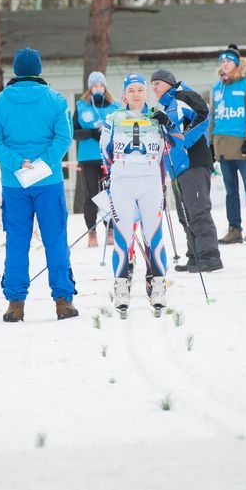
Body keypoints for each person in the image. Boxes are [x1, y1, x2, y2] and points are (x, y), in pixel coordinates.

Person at [0, 47, 78, 322]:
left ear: (15, 69)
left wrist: (16, 162)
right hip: (48, 180)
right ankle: (63, 300)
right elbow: (63, 138)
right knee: (55, 239)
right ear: (38, 70)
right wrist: (43, 164)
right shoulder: (56, 100)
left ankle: (15, 302)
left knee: (17, 241)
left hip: (15, 183)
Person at [100, 73, 171, 316]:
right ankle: (121, 288)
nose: (136, 95)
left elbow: (171, 144)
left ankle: (159, 287)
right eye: (131, 91)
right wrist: (114, 172)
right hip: (122, 183)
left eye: (140, 90)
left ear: (146, 92)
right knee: (123, 237)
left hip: (150, 182)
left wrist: (168, 123)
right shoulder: (113, 118)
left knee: (154, 234)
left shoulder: (156, 117)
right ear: (124, 94)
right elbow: (104, 150)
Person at [150, 69, 223, 273]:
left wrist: (184, 140)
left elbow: (204, 114)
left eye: (157, 83)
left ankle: (209, 256)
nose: (153, 87)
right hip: (177, 166)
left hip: (194, 161)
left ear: (169, 83)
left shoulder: (184, 95)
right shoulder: (165, 107)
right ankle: (195, 255)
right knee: (185, 214)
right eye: (152, 84)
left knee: (198, 210)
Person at [209, 44, 246, 244]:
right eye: (222, 61)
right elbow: (213, 116)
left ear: (237, 64)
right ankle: (234, 229)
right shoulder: (217, 87)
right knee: (230, 190)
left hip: (243, 144)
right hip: (222, 144)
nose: (224, 64)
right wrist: (210, 143)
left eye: (228, 61)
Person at [73, 71, 121, 247]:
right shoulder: (81, 106)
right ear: (90, 88)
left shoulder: (114, 106)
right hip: (88, 157)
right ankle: (91, 231)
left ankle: (111, 229)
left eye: (101, 85)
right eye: (95, 86)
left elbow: (121, 130)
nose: (98, 88)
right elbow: (73, 132)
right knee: (92, 195)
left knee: (110, 193)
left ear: (105, 87)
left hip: (109, 157)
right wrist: (90, 133)